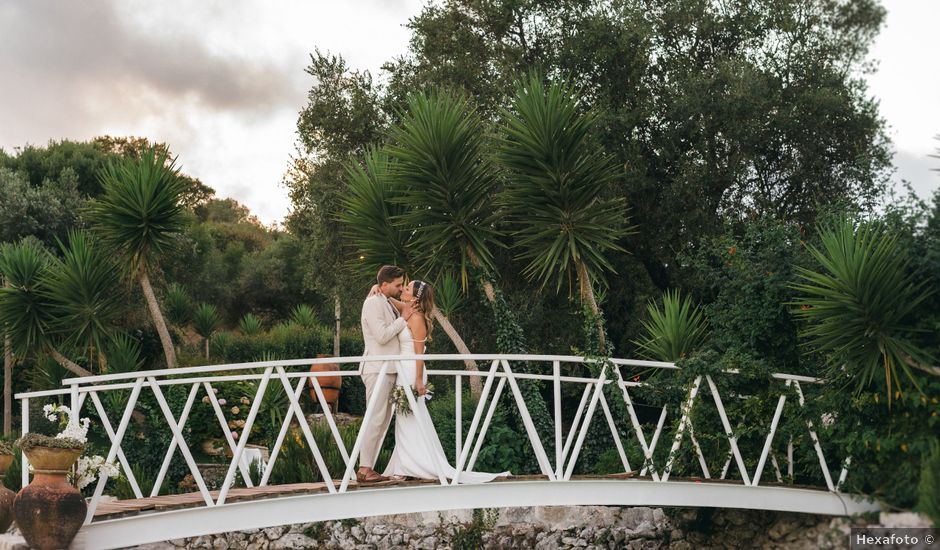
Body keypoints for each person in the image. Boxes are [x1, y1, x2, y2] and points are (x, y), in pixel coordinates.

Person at [380, 279, 509, 483]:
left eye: (406, 288)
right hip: (402, 371)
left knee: (409, 416)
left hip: (412, 371)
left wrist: (419, 381)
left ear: (415, 297)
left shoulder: (417, 319)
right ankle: (405, 463)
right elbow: (388, 299)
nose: (402, 290)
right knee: (405, 418)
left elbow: (419, 354)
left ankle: (408, 466)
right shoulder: (408, 310)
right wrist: (379, 290)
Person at [357, 265, 415, 483]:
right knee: (375, 419)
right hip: (377, 368)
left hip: (390, 368)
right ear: (384, 285)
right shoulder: (372, 303)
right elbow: (381, 336)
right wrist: (404, 319)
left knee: (382, 421)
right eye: (398, 284)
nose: (401, 288)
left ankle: (368, 467)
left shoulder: (383, 299)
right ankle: (364, 469)